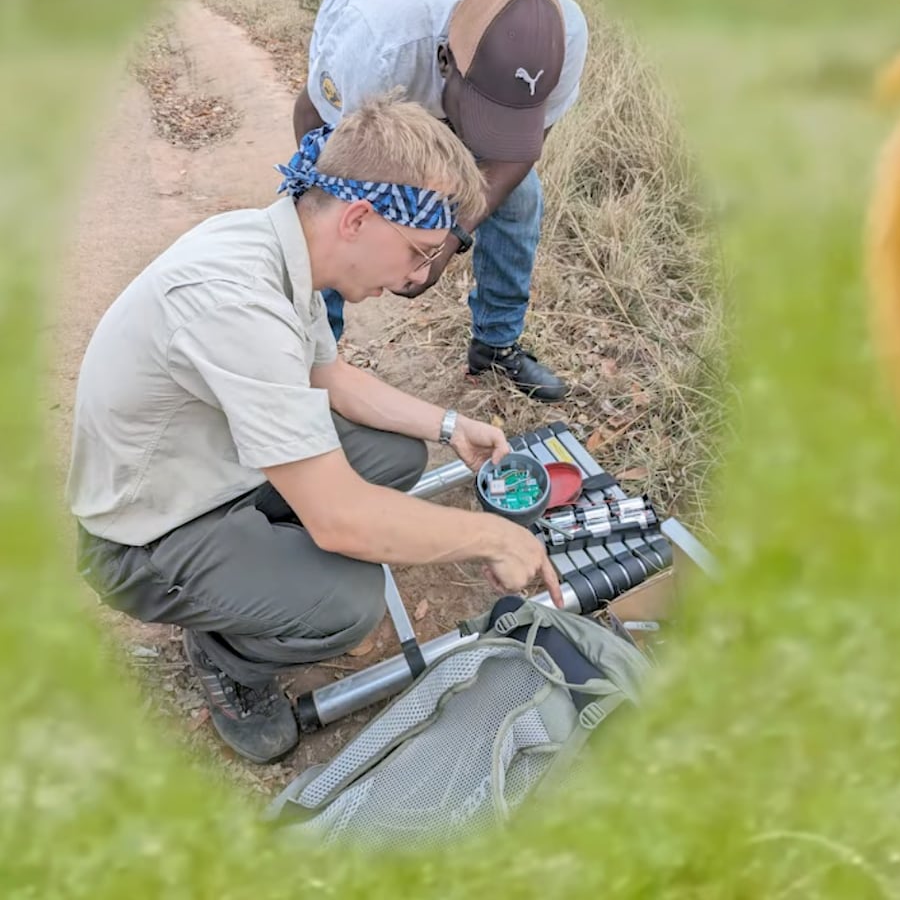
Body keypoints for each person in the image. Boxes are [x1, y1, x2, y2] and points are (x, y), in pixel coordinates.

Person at [67, 99, 564, 765]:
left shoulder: (281, 244)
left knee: (392, 452)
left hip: (216, 469)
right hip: (145, 535)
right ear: (358, 218)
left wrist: (452, 426)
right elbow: (338, 521)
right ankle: (226, 655)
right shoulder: (235, 299)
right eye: (416, 254)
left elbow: (328, 378)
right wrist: (494, 535)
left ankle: (262, 574)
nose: (417, 278)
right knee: (345, 604)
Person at [293, 0, 589, 403]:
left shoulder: (563, 38)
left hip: (447, 83)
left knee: (520, 198)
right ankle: (317, 360)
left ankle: (494, 346)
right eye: (483, 115)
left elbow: (520, 154)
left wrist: (450, 240)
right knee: (337, 219)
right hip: (384, 90)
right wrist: (349, 223)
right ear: (445, 61)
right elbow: (314, 121)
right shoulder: (378, 43)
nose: (485, 136)